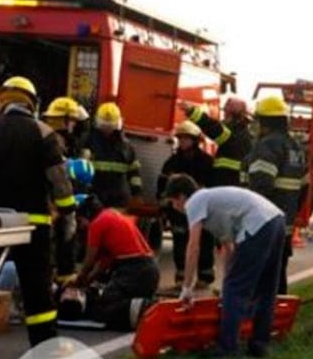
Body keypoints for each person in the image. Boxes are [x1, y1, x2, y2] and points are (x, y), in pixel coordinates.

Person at [0, 76, 76, 349]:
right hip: (31, 224)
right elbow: (59, 181)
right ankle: (43, 344)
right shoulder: (43, 133)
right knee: (37, 288)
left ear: (3, 102)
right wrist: (67, 209)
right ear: (31, 103)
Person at [164, 174, 285, 357]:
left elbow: (193, 247)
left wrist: (187, 287)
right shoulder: (216, 204)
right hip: (275, 220)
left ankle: (227, 349)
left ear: (181, 197)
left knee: (235, 289)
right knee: (265, 288)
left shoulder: (195, 201)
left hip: (257, 223)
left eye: (173, 202)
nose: (175, 208)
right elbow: (229, 248)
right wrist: (228, 280)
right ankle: (259, 344)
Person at [243, 95, 306, 294]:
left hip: (264, 223)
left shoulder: (267, 145)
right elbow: (303, 188)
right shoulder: (295, 147)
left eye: (258, 120)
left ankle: (259, 319)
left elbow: (260, 187)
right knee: (278, 274)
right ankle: (278, 317)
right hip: (285, 224)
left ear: (265, 122)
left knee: (260, 276)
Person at [68, 198, 159, 330]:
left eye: (80, 221)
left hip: (134, 270)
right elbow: (103, 263)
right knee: (111, 299)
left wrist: (78, 280)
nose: (80, 226)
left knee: (103, 307)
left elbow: (89, 261)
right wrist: (87, 281)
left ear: (87, 215)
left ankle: (147, 307)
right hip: (149, 270)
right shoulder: (111, 215)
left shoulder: (97, 224)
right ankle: (144, 307)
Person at [156, 120, 215, 285]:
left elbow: (213, 185)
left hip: (203, 210)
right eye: (180, 139)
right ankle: (181, 276)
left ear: (195, 141)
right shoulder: (172, 162)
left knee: (204, 242)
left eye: (186, 139)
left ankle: (205, 275)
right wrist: (162, 202)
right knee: (180, 241)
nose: (182, 142)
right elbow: (162, 183)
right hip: (178, 210)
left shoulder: (207, 162)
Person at [42, 96, 91, 283]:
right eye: (73, 122)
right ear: (66, 121)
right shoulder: (55, 143)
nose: (75, 127)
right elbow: (58, 180)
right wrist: (69, 207)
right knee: (62, 244)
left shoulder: (50, 137)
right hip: (53, 205)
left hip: (49, 204)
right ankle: (62, 284)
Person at [179, 96, 253, 187]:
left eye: (225, 112)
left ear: (231, 115)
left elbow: (213, 128)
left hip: (228, 185)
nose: (224, 117)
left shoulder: (234, 133)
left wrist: (192, 112)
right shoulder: (243, 133)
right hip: (233, 185)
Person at [82, 102, 143, 209]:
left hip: (117, 201)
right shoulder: (87, 142)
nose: (107, 130)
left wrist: (137, 194)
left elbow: (134, 173)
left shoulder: (126, 147)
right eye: (104, 126)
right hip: (92, 199)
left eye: (111, 126)